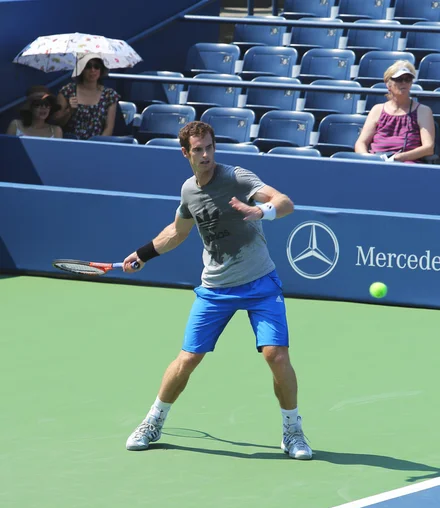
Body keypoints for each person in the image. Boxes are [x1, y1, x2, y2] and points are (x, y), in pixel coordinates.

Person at [122, 121, 312, 460]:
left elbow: (285, 202)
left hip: (260, 282)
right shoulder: (188, 191)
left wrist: (261, 211)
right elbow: (176, 233)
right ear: (186, 153)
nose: (206, 154)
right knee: (188, 358)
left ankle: (292, 431)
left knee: (276, 355)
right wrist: (143, 254)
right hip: (216, 288)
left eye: (209, 147)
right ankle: (153, 422)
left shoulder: (237, 177)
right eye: (198, 149)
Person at [355, 60, 435, 163]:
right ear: (388, 84)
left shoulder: (423, 111)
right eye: (399, 79)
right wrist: (368, 160)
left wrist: (399, 157)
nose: (404, 83)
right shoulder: (377, 109)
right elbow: (361, 143)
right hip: (376, 162)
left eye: (408, 79)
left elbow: (428, 148)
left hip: (406, 164)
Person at [54, 53, 120, 140]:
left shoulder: (110, 95)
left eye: (96, 66)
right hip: (70, 143)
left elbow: (109, 128)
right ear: (81, 69)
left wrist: (97, 145)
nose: (93, 70)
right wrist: (69, 111)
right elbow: (57, 123)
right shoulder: (67, 91)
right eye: (88, 66)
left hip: (97, 145)